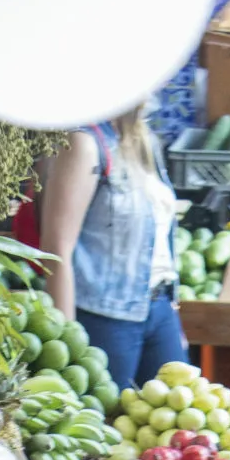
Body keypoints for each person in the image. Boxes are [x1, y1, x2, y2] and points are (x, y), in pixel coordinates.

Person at [38, 108, 187, 392]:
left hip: (159, 307)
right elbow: (57, 249)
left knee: (181, 412)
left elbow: (160, 241)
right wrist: (67, 344)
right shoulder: (84, 143)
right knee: (105, 416)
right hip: (105, 318)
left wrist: (173, 318)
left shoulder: (142, 139)